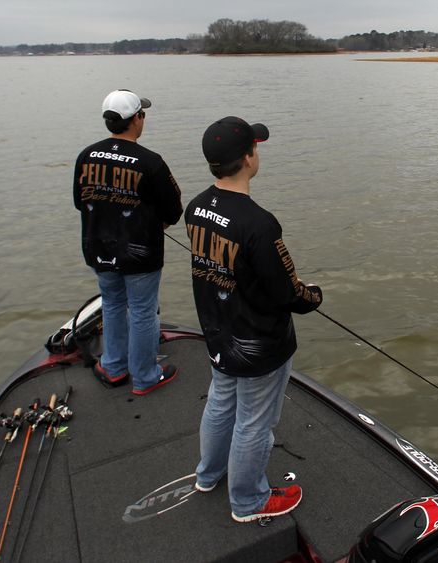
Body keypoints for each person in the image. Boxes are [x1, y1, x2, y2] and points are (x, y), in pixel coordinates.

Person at [185, 116, 323, 523]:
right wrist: (314, 296)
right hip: (259, 344)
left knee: (220, 402)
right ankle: (248, 501)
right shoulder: (259, 223)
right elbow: (288, 293)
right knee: (254, 423)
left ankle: (208, 475)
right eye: (255, 147)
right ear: (248, 158)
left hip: (218, 333)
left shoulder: (195, 208)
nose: (257, 154)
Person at [73, 89, 182, 395]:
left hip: (98, 247)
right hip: (140, 252)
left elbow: (79, 201)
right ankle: (146, 376)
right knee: (143, 310)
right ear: (136, 119)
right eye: (142, 114)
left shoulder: (86, 155)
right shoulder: (150, 162)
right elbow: (173, 210)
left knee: (112, 303)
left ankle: (114, 367)